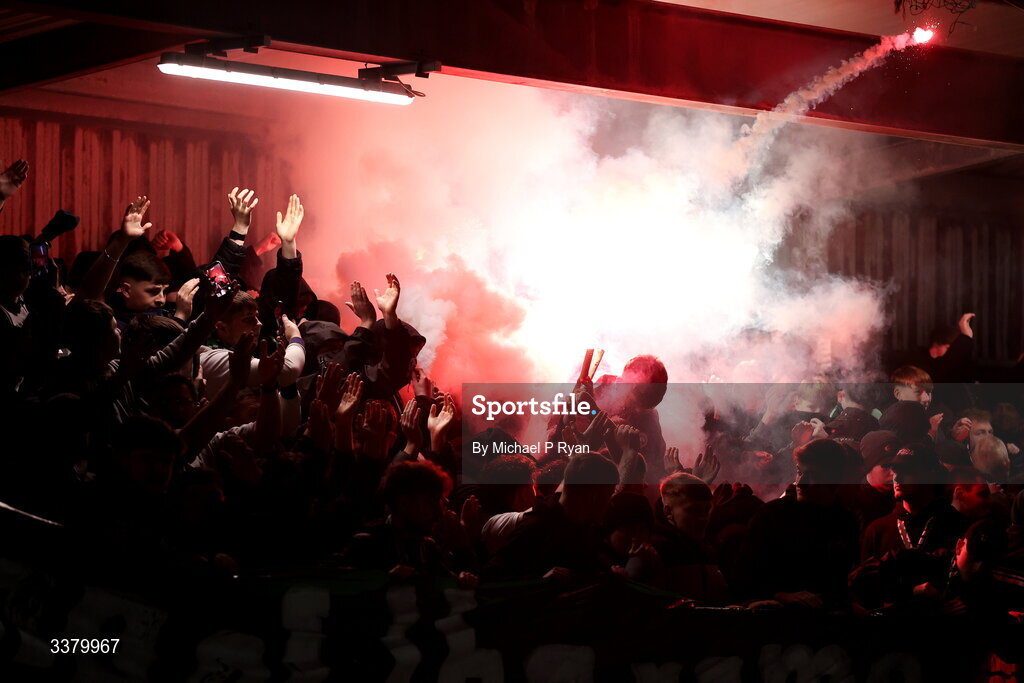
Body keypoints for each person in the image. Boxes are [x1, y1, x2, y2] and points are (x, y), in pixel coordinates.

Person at [742, 439, 859, 610]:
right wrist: (780, 595)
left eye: (814, 476)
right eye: (799, 471)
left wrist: (846, 604)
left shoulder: (846, 521)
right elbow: (744, 576)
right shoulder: (771, 516)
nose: (801, 482)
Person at [485, 452, 620, 584]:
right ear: (594, 496)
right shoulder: (536, 529)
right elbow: (490, 579)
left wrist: (609, 575)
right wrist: (540, 581)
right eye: (610, 494)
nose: (611, 503)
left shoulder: (588, 528)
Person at [861, 442, 965, 561]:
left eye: (907, 471)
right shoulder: (877, 531)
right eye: (895, 470)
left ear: (929, 476)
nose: (897, 478)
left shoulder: (956, 525)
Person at [652, 471, 729, 602]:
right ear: (668, 511)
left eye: (706, 509)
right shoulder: (657, 552)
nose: (703, 518)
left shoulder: (709, 548)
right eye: (692, 510)